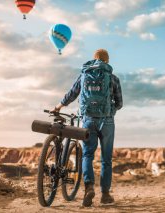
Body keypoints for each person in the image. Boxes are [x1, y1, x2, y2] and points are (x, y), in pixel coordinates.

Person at [51, 49, 123, 207]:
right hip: (107, 121)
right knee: (106, 159)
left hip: (88, 119)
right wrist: (110, 112)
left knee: (87, 155)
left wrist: (58, 107)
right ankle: (105, 195)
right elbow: (119, 103)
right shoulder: (112, 78)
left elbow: (72, 94)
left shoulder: (84, 76)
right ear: (107, 61)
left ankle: (88, 187)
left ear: (94, 59)